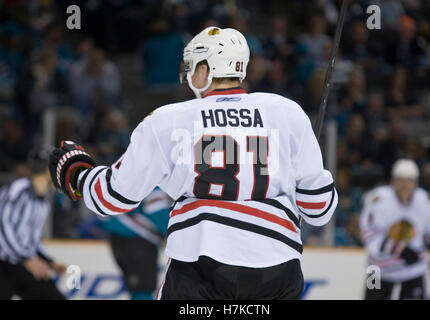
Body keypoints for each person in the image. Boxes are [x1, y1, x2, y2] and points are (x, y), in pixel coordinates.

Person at [48, 26, 338, 300]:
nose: (188, 76)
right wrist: (317, 181)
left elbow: (113, 198)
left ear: (205, 69)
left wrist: (77, 175)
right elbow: (318, 210)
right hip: (278, 269)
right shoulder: (288, 113)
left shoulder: (168, 120)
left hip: (201, 267)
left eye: (191, 68)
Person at [360, 159, 430, 300]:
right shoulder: (377, 199)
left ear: (416, 183)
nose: (405, 185)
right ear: (393, 182)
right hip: (375, 269)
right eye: (400, 180)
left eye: (409, 181)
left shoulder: (426, 202)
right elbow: (370, 236)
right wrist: (400, 249)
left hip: (413, 270)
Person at [0, 148, 66, 300]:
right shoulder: (19, 189)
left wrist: (50, 262)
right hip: (4, 264)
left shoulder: (42, 203)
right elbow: (3, 226)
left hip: (21, 263)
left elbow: (30, 240)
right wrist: (25, 258)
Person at [99, 187, 171, 300]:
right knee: (143, 290)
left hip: (117, 238)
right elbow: (160, 215)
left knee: (136, 288)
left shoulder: (116, 175)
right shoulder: (149, 176)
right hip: (140, 242)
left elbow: (102, 212)